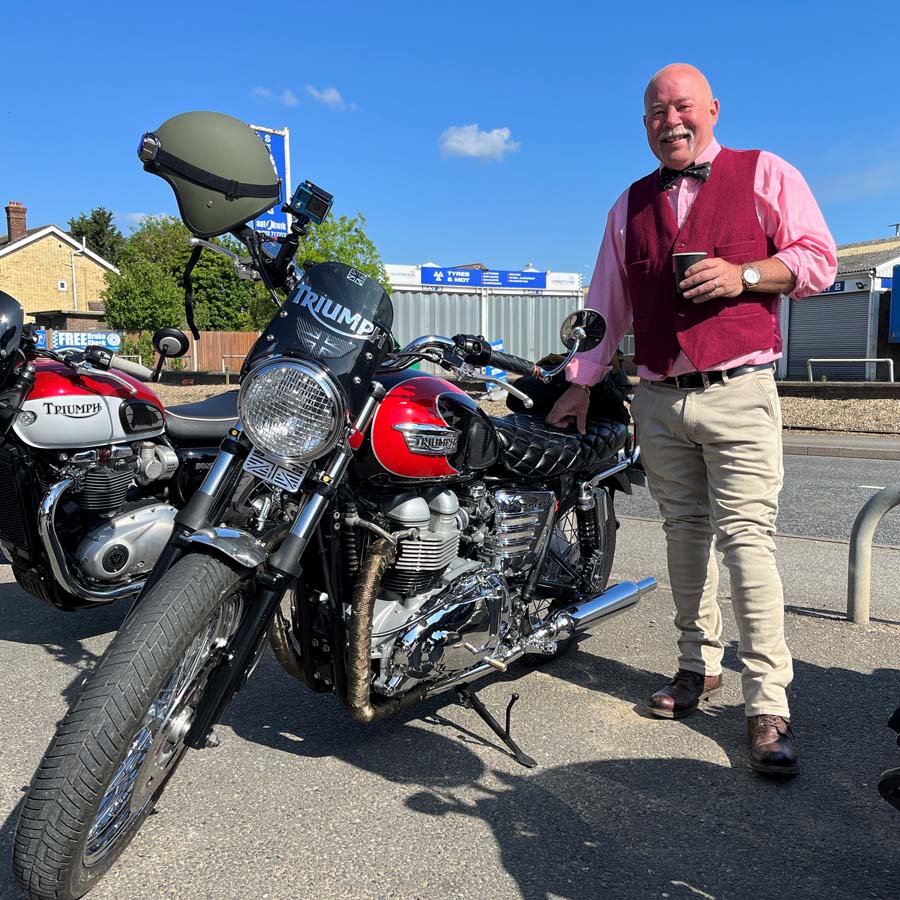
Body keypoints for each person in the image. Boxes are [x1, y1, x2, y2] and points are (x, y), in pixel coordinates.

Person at [547, 63, 837, 776]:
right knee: (683, 539)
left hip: (740, 388)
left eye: (680, 107)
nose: (669, 120)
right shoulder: (628, 205)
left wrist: (744, 275)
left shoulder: (764, 173)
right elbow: (606, 303)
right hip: (658, 397)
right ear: (643, 124)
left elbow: (819, 261)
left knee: (748, 545)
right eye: (653, 111)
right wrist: (580, 383)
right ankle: (695, 667)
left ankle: (768, 703)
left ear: (711, 108)